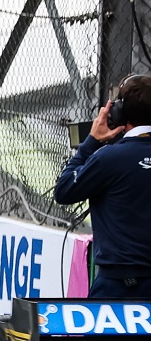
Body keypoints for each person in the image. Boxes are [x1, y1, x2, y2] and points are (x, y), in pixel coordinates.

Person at [54, 75, 151, 300]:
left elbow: (64, 190)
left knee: (102, 337)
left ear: (117, 114)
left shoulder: (108, 158)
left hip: (117, 287)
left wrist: (90, 143)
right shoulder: (112, 157)